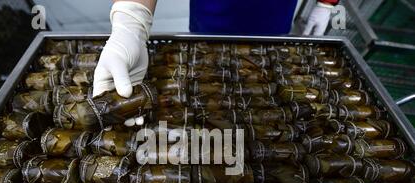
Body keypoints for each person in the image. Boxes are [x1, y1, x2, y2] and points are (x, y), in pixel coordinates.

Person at [93, 0, 339, 125]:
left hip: (273, 8)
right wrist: (131, 19)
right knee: (206, 47)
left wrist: (326, 2)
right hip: (216, 7)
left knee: (267, 49)